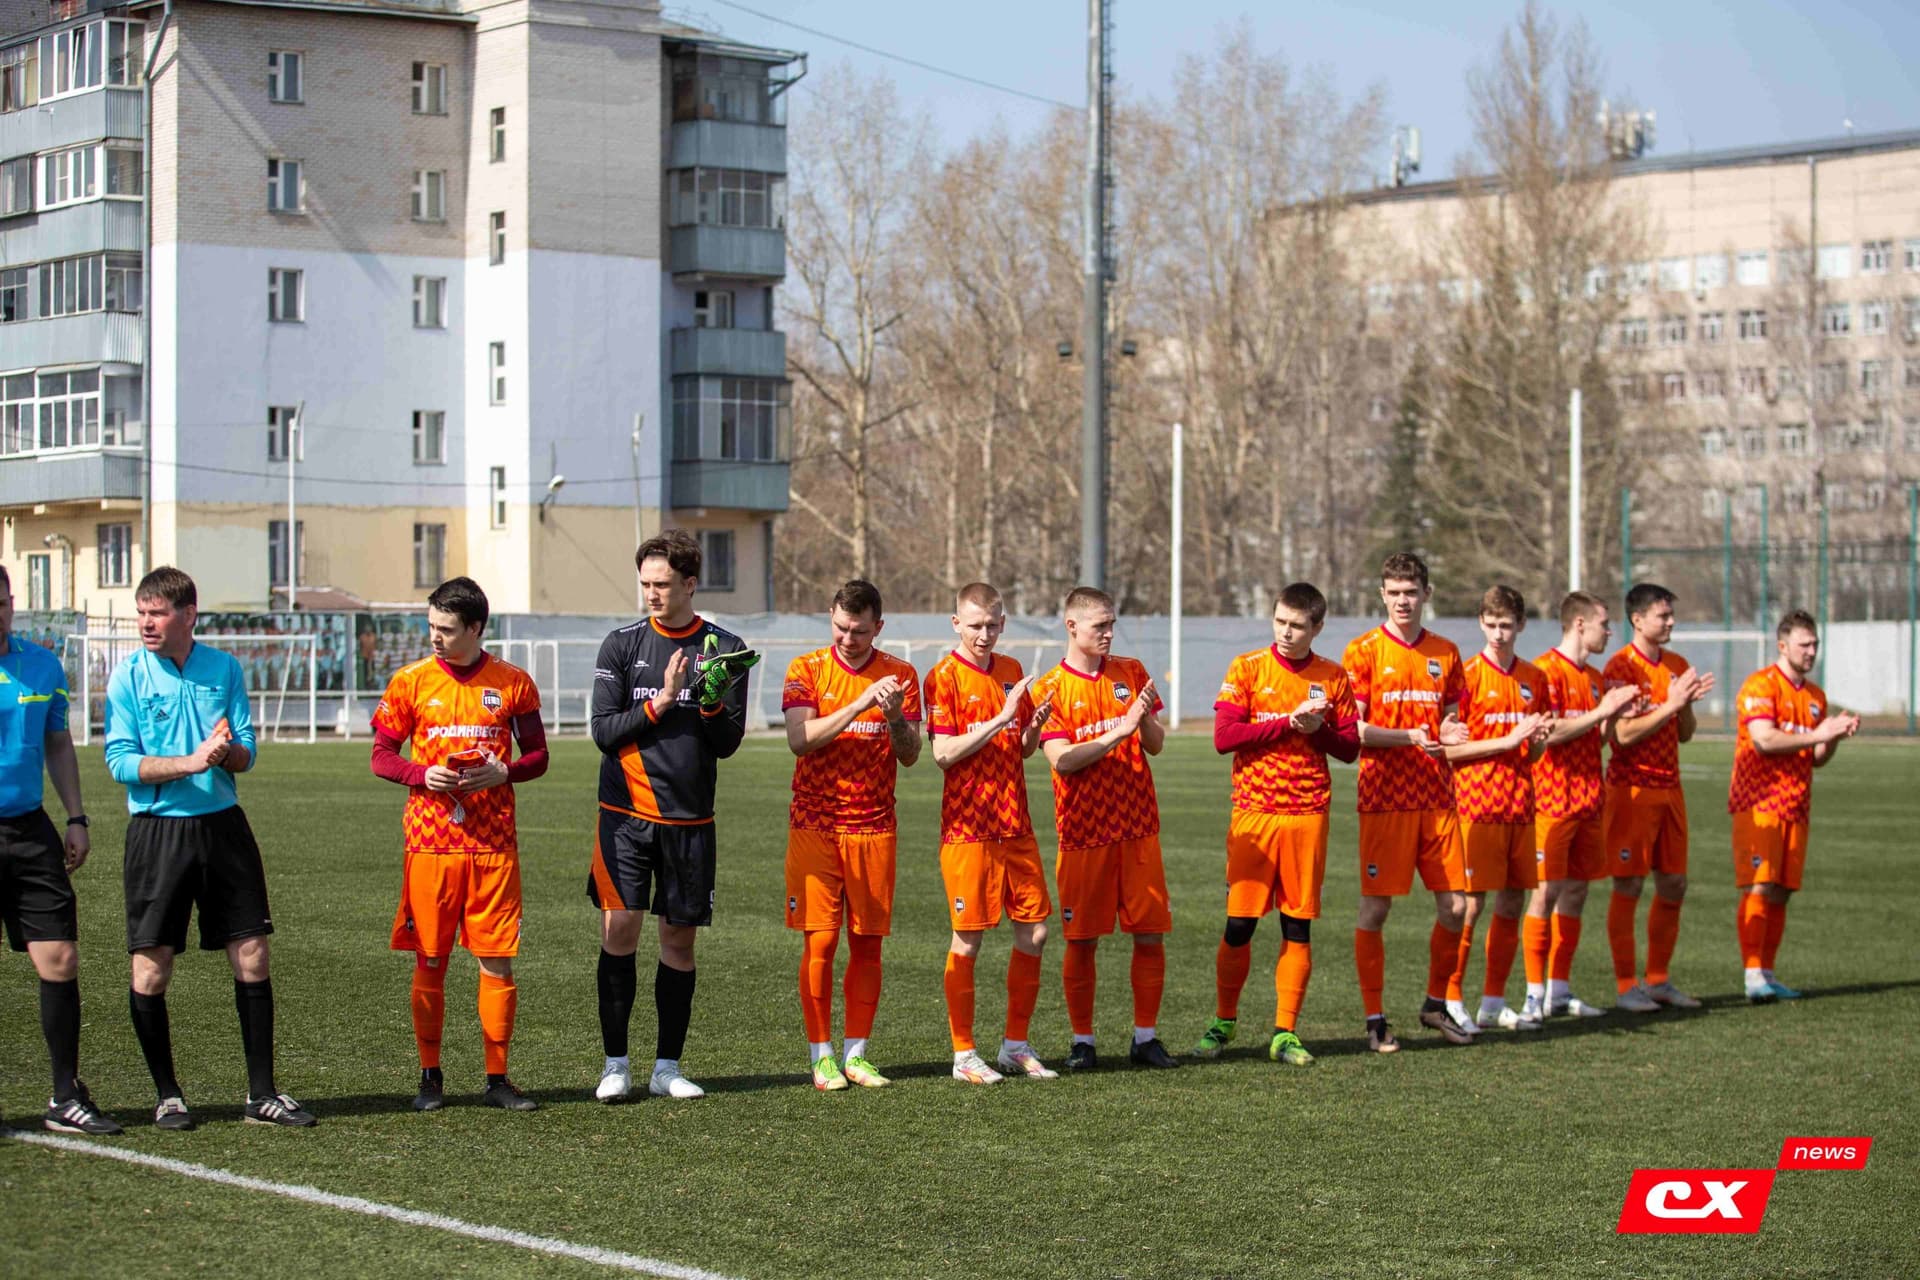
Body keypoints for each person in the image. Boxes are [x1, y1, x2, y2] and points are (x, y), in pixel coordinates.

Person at [105, 566, 313, 1129]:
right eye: (142, 612)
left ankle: (262, 1095)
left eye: (158, 612)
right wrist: (191, 762)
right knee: (152, 968)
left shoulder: (223, 667)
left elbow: (247, 749)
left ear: (188, 615)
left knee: (252, 955)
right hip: (157, 832)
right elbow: (121, 763)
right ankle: (168, 1095)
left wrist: (225, 754)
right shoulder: (127, 677)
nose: (147, 622)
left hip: (223, 827)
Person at [371, 577, 547, 1112]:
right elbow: (381, 755)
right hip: (431, 846)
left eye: (446, 629)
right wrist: (422, 774)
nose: (435, 638)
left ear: (475, 628)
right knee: (431, 960)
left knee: (496, 960)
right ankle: (430, 1076)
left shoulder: (513, 683)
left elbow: (538, 756)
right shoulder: (411, 682)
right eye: (431, 627)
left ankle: (497, 1078)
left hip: (494, 847)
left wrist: (504, 772)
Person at [587, 531, 751, 1102]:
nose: (652, 594)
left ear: (689, 583)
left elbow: (727, 741)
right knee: (620, 930)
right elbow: (604, 732)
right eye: (645, 584)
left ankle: (667, 1068)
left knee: (678, 943)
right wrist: (659, 702)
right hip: (624, 817)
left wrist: (706, 700)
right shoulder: (621, 645)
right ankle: (615, 1065)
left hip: (690, 821)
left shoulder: (724, 647)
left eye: (662, 584)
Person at [1194, 582, 1357, 1067]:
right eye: (1281, 622)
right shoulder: (1246, 668)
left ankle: (1286, 1032)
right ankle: (1223, 1020)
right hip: (1254, 814)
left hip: (1307, 815)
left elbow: (1350, 748)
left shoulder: (1333, 677)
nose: (1286, 633)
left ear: (1317, 628)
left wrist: (1319, 729)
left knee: (1297, 927)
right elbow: (1225, 738)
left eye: (1298, 626)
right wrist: (1288, 723)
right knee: (1240, 925)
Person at [782, 580, 921, 1090]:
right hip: (815, 827)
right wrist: (860, 704)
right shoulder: (807, 670)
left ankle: (856, 1055)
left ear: (877, 628)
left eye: (859, 631)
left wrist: (895, 716)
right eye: (840, 627)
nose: (848, 638)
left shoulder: (901, 675)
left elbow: (910, 754)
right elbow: (800, 739)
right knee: (820, 943)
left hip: (875, 828)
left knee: (867, 947)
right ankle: (820, 1057)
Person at [1034, 587, 1176, 1071]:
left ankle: (1145, 1037)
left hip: (1138, 828)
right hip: (1083, 833)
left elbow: (1154, 744)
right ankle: (1083, 1041)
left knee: (1150, 934)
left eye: (1112, 624)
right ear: (1072, 627)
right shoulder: (1050, 687)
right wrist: (1120, 728)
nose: (1110, 634)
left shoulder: (1131, 672)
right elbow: (1063, 760)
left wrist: (1144, 720)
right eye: (1100, 626)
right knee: (1081, 940)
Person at [0, 566, 119, 1133]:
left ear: (11, 604)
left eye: (1, 603)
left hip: (29, 830)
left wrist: (75, 816)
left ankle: (64, 1096)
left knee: (61, 960)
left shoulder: (42, 664)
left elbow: (57, 742)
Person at [922, 582, 1057, 1084]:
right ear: (956, 623)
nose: (985, 633)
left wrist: (1032, 728)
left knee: (1036, 931)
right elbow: (942, 753)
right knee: (969, 939)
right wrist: (1001, 719)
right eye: (975, 624)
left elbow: (1019, 748)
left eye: (993, 624)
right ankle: (963, 1055)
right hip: (968, 829)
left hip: (1014, 825)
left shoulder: (1012, 672)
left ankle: (1014, 1045)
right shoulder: (942, 678)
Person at [1342, 552, 1473, 1051]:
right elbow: (1352, 730)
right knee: (1375, 910)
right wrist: (1408, 738)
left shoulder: (1446, 652)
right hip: (1385, 800)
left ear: (1426, 595)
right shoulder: (1364, 651)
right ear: (1382, 595)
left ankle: (1435, 1004)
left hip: (1438, 799)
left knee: (1457, 906)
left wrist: (1449, 729)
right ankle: (1375, 1019)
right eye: (1394, 592)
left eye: (1411, 592)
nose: (1402, 600)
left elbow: (1452, 721)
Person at [1728, 610, 1858, 1002]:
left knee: (1782, 890)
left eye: (1815, 644)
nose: (1811, 651)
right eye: (1804, 644)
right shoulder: (1761, 685)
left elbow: (1816, 756)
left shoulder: (1815, 697)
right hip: (1759, 804)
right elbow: (1765, 740)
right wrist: (1818, 734)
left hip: (1796, 805)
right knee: (1760, 884)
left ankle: (1767, 972)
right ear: (1782, 646)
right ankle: (1752, 975)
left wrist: (1832, 735)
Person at [1523, 592, 1639, 1018]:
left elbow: (1596, 737)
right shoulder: (1544, 671)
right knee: (1544, 894)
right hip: (1551, 800)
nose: (1609, 632)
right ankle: (1533, 995)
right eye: (1604, 624)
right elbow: (1549, 735)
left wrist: (1611, 714)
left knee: (1575, 894)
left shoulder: (1592, 676)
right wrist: (1601, 711)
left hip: (1590, 799)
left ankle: (1559, 989)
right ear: (1579, 625)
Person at [1444, 586, 1552, 1032]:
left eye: (1507, 625)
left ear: (1521, 625)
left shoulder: (1534, 679)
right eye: (1491, 625)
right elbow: (1449, 752)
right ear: (1481, 624)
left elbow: (1530, 756)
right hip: (1475, 808)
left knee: (1511, 903)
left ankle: (1492, 1001)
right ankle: (1451, 998)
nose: (1499, 633)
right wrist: (1508, 741)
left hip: (1520, 807)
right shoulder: (1467, 677)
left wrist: (1537, 744)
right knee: (1470, 907)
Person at [1602, 582, 1714, 1013]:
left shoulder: (1677, 664)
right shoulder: (1621, 667)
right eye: (1662, 615)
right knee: (1628, 883)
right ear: (1638, 620)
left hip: (1671, 787)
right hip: (1632, 789)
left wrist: (1683, 705)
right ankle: (1627, 985)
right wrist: (1670, 703)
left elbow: (1684, 733)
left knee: (1674, 883)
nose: (1670, 622)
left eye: (1671, 615)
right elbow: (1622, 737)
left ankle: (1660, 980)